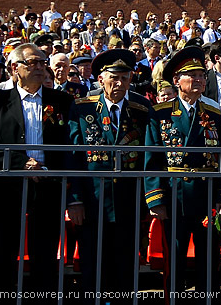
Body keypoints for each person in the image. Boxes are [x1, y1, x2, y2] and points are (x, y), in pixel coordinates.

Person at [144, 46, 221, 295]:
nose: (198, 80)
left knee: (209, 259)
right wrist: (156, 199)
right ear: (176, 81)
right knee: (174, 258)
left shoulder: (214, 113)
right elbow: (152, 159)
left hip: (207, 197)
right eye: (191, 75)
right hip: (176, 196)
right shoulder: (160, 113)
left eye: (201, 76)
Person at [68, 49, 153, 300]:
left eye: (125, 78)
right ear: (100, 79)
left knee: (125, 263)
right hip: (92, 199)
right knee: (93, 262)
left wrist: (149, 199)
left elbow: (149, 156)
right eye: (113, 78)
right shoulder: (82, 109)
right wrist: (74, 199)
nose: (119, 84)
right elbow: (73, 156)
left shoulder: (141, 108)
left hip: (128, 199)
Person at [0, 43, 77, 297]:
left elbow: (70, 143)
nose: (41, 67)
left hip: (48, 184)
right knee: (3, 248)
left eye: (43, 62)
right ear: (15, 68)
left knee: (45, 249)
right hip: (9, 186)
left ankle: (43, 296)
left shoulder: (61, 100)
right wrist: (22, 163)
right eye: (33, 63)